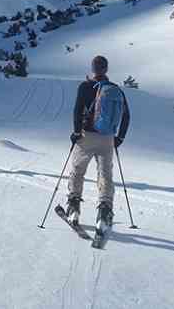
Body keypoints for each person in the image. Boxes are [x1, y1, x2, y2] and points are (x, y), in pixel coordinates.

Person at [63, 55, 130, 228]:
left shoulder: (85, 86)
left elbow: (77, 110)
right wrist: (119, 138)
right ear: (106, 69)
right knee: (105, 174)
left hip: (87, 136)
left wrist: (77, 132)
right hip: (107, 138)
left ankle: (73, 207)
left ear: (93, 69)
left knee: (78, 170)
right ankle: (104, 212)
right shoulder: (115, 89)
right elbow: (126, 115)